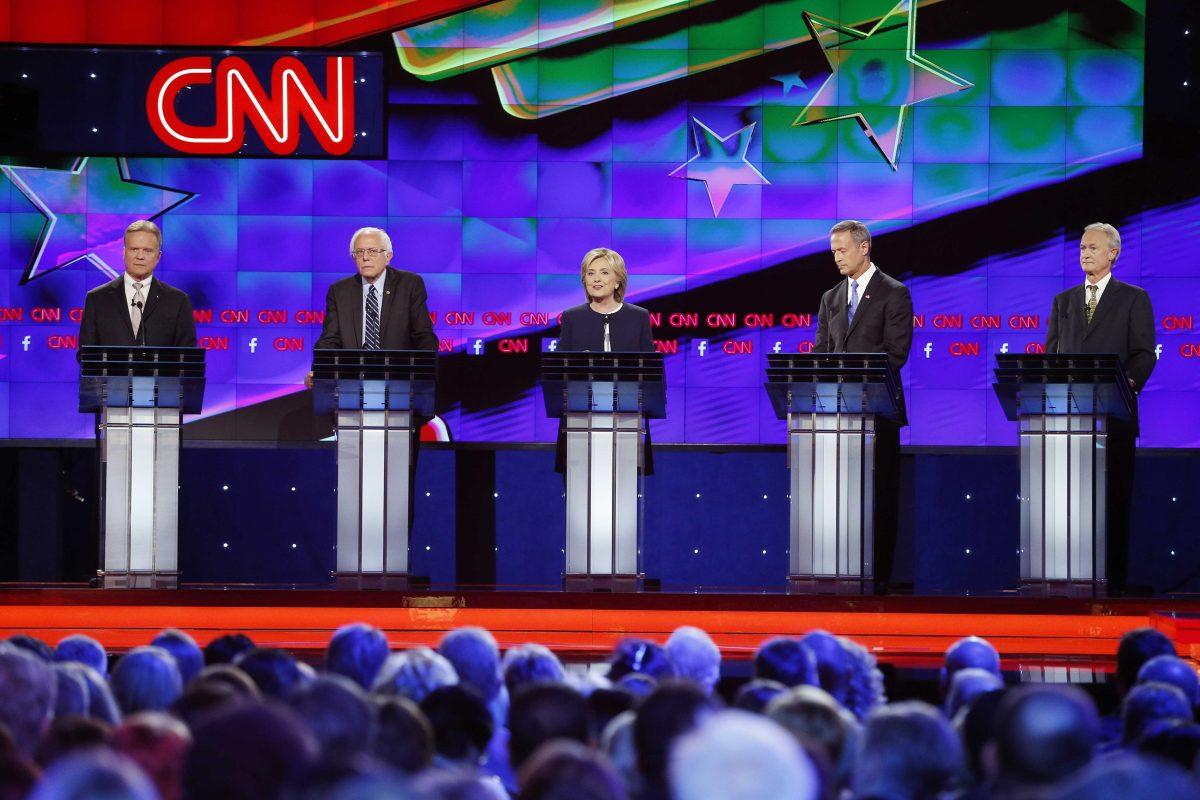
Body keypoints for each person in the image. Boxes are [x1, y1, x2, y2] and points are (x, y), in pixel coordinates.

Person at [1045, 223, 1156, 594]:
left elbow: (1142, 354)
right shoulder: (1064, 301)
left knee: (1113, 503)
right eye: (1081, 247)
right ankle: (1069, 579)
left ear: (1113, 253)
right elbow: (1051, 357)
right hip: (1069, 421)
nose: (1084, 253)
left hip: (1115, 418)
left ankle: (1114, 586)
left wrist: (1128, 384)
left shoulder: (1133, 298)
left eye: (1092, 247)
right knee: (1071, 503)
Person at [813, 220, 913, 591]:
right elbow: (821, 353)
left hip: (879, 414)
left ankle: (879, 582)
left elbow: (896, 354)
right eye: (833, 251)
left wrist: (854, 380)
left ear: (864, 247)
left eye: (842, 250)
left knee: (879, 498)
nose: (836, 257)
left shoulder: (894, 292)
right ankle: (839, 573)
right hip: (836, 416)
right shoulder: (831, 297)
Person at [555, 248, 655, 476]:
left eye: (603, 272)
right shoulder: (572, 317)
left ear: (618, 280)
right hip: (580, 417)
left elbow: (649, 370)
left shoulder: (638, 316)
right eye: (590, 273)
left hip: (627, 416)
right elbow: (560, 370)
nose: (596, 279)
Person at [313, 227, 438, 355]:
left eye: (372, 251)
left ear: (388, 257)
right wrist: (320, 369)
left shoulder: (409, 285)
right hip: (354, 372)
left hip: (398, 371)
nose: (365, 257)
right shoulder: (339, 291)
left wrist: (423, 372)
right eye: (360, 252)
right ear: (354, 258)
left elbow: (424, 336)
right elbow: (329, 340)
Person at [78, 219, 196, 350]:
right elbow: (85, 354)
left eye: (148, 251)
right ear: (124, 252)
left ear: (158, 256)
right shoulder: (97, 298)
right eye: (134, 249)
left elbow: (186, 358)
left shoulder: (177, 301)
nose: (140, 256)